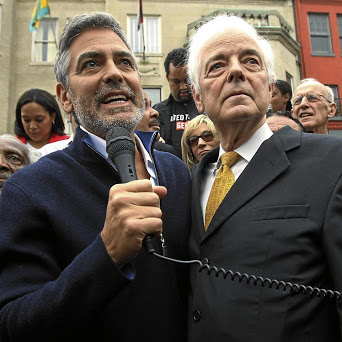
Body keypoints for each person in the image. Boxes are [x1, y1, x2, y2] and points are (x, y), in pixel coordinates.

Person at [187, 14, 342, 341]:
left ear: (269, 87)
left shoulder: (339, 164)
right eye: (217, 66)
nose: (236, 71)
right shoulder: (196, 177)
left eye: (250, 61)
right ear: (198, 97)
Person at [0, 12, 190, 341]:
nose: (114, 73)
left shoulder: (176, 172)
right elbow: (13, 324)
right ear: (64, 97)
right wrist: (107, 254)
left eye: (124, 62)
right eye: (91, 64)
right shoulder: (28, 190)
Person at [153, 47, 199, 158]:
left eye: (187, 80)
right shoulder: (157, 113)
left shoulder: (206, 107)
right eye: (176, 81)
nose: (183, 87)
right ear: (168, 78)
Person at [14, 88, 70, 156]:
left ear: (53, 116)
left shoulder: (67, 145)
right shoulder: (11, 145)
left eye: (39, 120)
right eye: (26, 120)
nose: (32, 126)